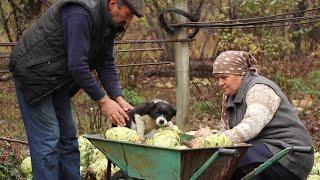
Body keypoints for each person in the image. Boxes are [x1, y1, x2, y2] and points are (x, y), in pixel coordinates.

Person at [9, 0, 144, 179]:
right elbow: (78, 65)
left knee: (68, 139)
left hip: (57, 78)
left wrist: (118, 98)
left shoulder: (109, 23)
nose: (128, 21)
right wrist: (103, 101)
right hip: (34, 74)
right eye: (127, 14)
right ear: (112, 3)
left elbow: (106, 63)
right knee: (48, 140)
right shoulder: (80, 12)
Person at [212, 51, 314, 179]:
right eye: (218, 78)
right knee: (228, 159)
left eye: (224, 77)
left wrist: (210, 141)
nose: (220, 83)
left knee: (234, 159)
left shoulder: (260, 89)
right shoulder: (230, 96)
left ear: (240, 74)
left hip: (292, 154)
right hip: (264, 151)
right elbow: (226, 132)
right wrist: (210, 137)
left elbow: (250, 127)